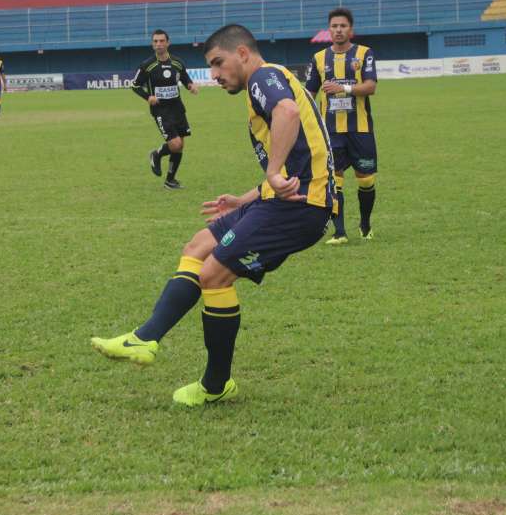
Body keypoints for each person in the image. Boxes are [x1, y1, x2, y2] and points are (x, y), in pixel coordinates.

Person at [92, 24, 334, 407]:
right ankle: (146, 337)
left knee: (213, 276)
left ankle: (215, 384)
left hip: (301, 208)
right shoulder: (266, 83)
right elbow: (297, 161)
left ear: (242, 53)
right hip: (281, 199)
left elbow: (287, 113)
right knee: (199, 244)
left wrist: (272, 173)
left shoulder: (264, 77)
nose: (215, 75)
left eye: (218, 64)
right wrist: (245, 198)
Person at [305, 7, 378, 244]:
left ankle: (365, 224)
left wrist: (343, 88)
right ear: (329, 30)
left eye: (343, 26)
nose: (338, 30)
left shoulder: (365, 54)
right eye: (334, 26)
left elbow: (370, 87)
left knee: (366, 179)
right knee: (334, 180)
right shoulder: (318, 58)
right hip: (331, 131)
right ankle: (340, 232)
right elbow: (310, 94)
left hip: (361, 129)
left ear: (351, 30)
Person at [130, 29, 198, 189]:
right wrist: (148, 97)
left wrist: (190, 86)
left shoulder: (177, 62)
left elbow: (184, 77)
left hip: (177, 107)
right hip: (161, 110)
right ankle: (156, 154)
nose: (159, 44)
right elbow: (135, 86)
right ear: (152, 44)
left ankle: (170, 180)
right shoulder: (147, 65)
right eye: (155, 41)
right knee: (174, 144)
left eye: (161, 41)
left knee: (180, 144)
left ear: (168, 43)